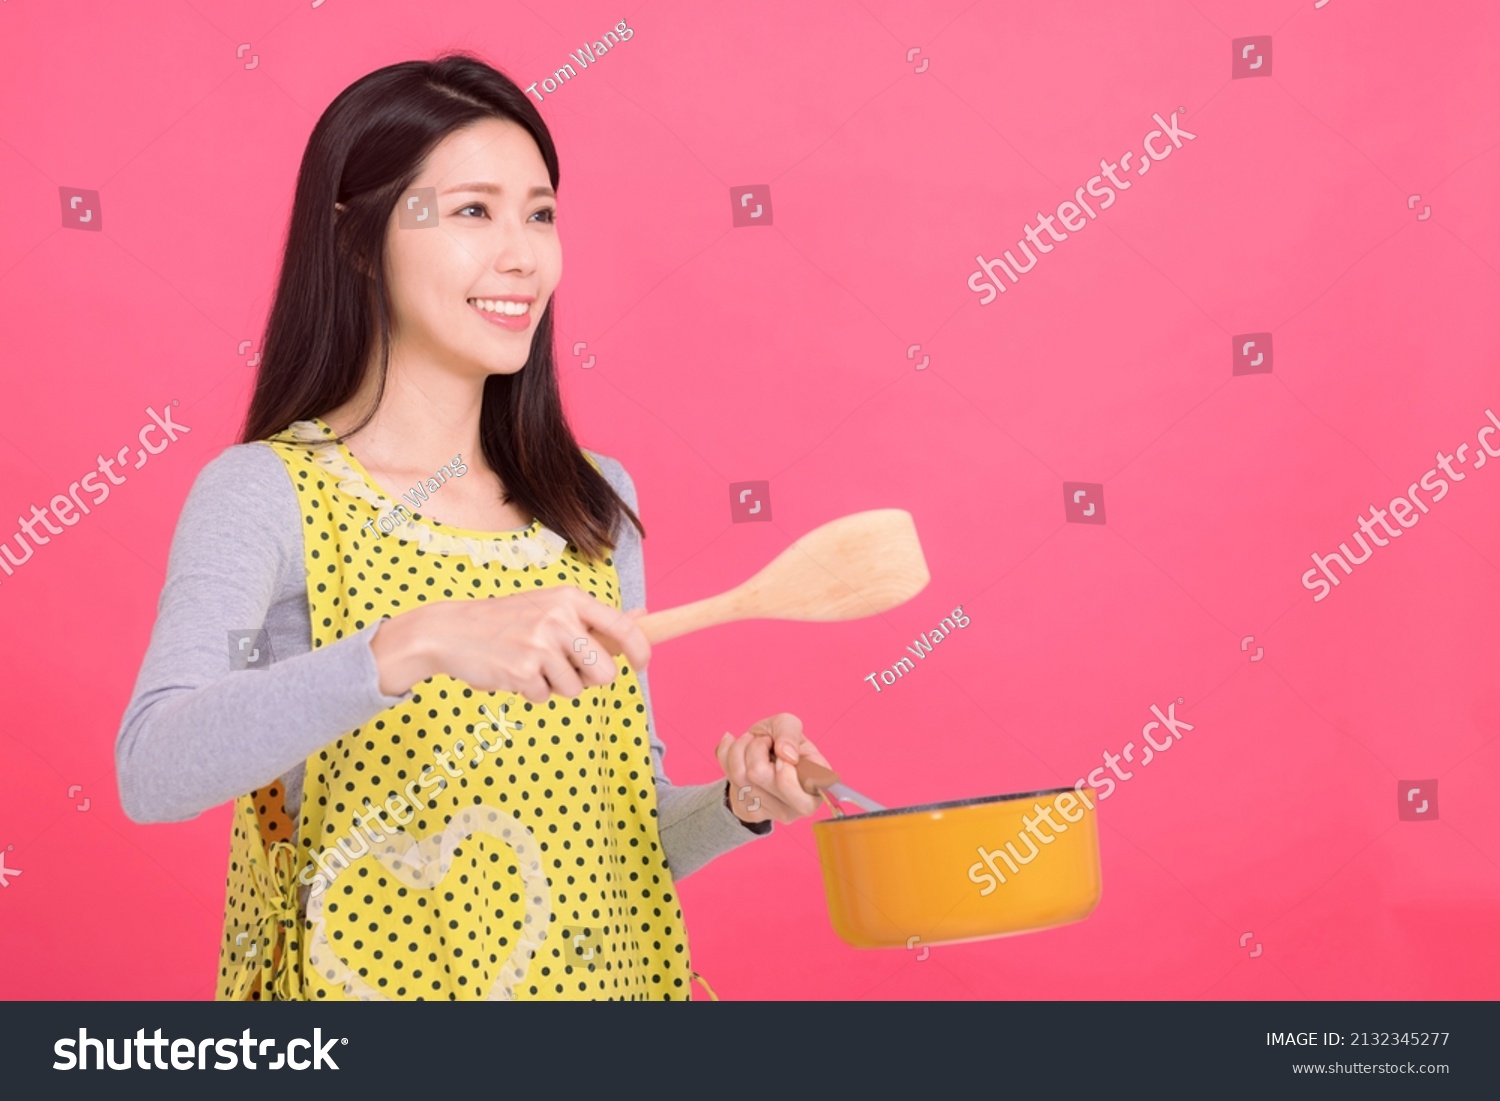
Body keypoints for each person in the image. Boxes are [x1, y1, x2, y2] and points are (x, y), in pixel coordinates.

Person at [114, 52, 829, 1002]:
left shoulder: (591, 503)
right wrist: (416, 640)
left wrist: (740, 803)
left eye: (540, 213)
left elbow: (615, 842)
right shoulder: (266, 494)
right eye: (472, 211)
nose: (524, 255)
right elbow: (153, 768)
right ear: (358, 239)